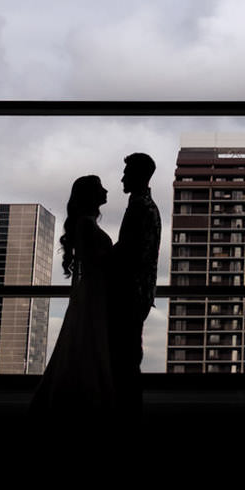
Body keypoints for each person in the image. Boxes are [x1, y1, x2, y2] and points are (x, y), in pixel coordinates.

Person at [30, 176, 116, 417]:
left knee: (84, 342)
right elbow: (97, 262)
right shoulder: (87, 226)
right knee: (89, 342)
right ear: (91, 195)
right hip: (94, 293)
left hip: (92, 292)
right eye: (101, 188)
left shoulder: (84, 224)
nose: (106, 190)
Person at [109, 152, 160, 410]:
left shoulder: (140, 207)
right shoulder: (145, 206)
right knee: (129, 355)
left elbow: (128, 251)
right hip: (139, 293)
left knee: (125, 358)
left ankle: (128, 411)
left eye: (127, 173)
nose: (122, 178)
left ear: (139, 176)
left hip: (130, 293)